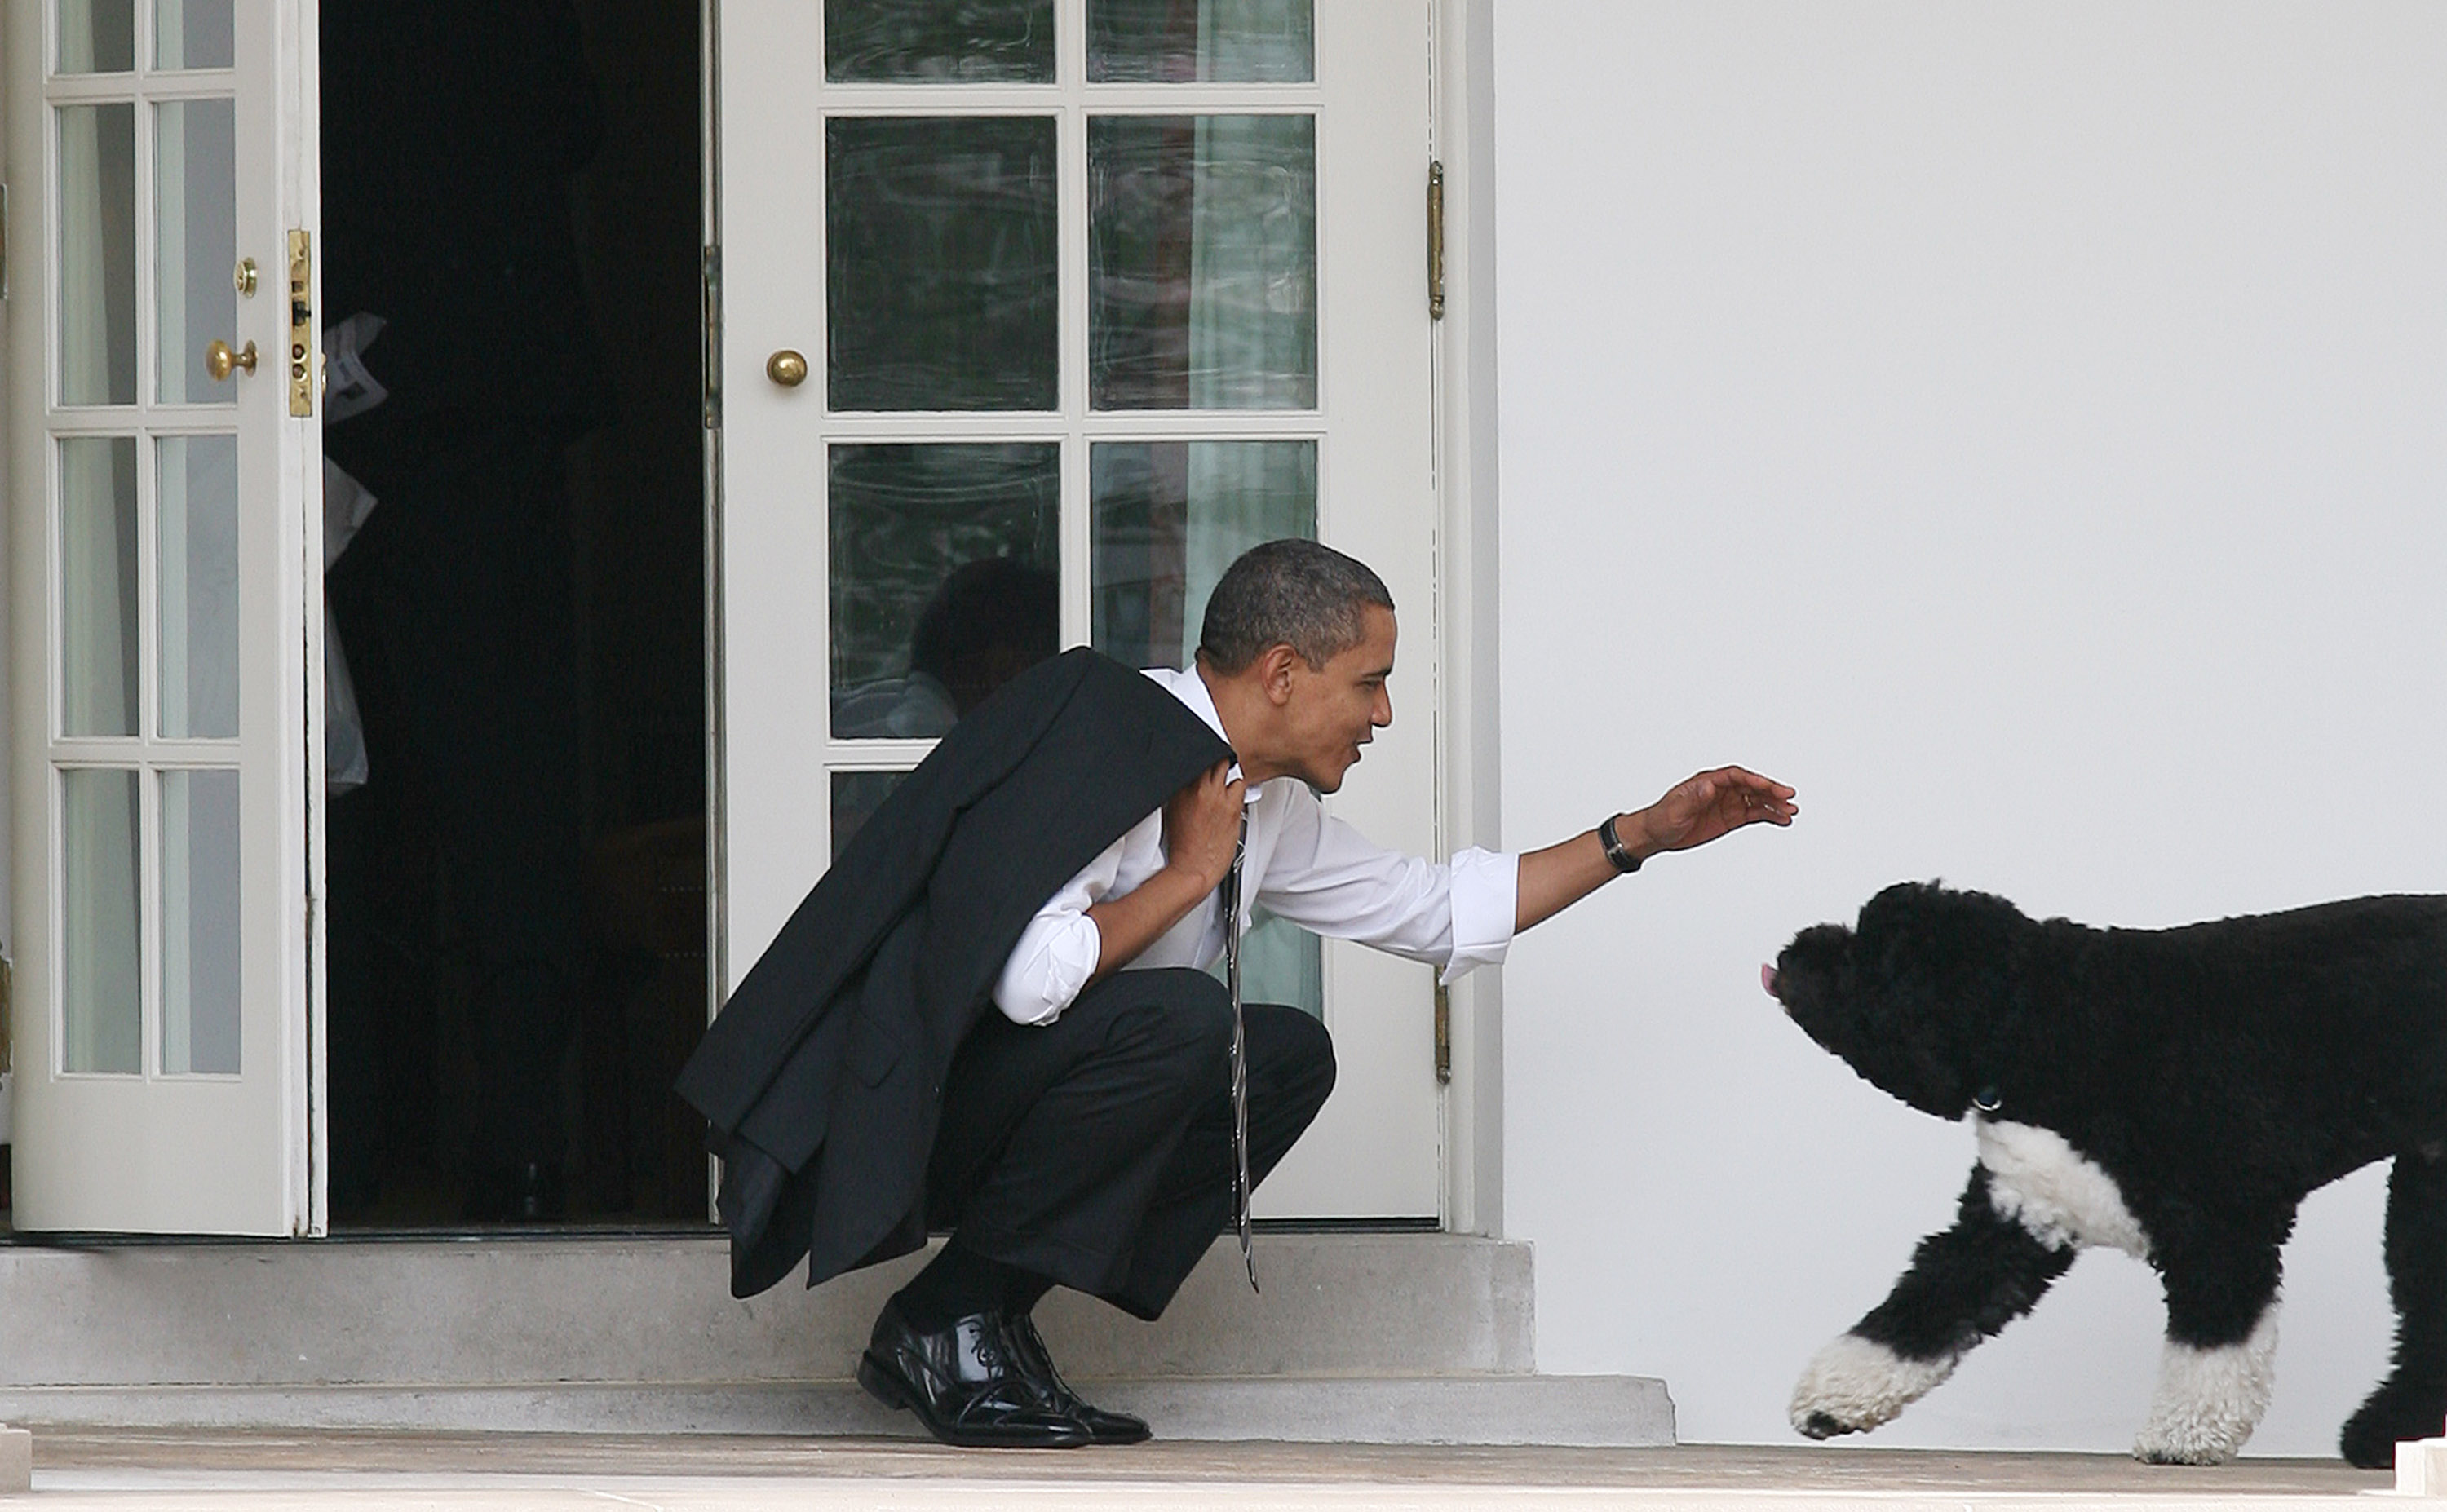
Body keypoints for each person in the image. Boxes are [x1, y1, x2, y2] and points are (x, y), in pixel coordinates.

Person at [679, 538, 1796, 1448]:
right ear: (1280, 674)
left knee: (1288, 1051)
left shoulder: (1261, 801)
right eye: (1370, 681)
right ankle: (949, 1319)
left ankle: (974, 1312)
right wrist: (1187, 876)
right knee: (1183, 1020)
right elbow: (1024, 983)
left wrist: (1642, 835)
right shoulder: (1105, 736)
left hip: (1011, 1102)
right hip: (903, 1115)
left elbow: (1440, 909)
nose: (1384, 714)